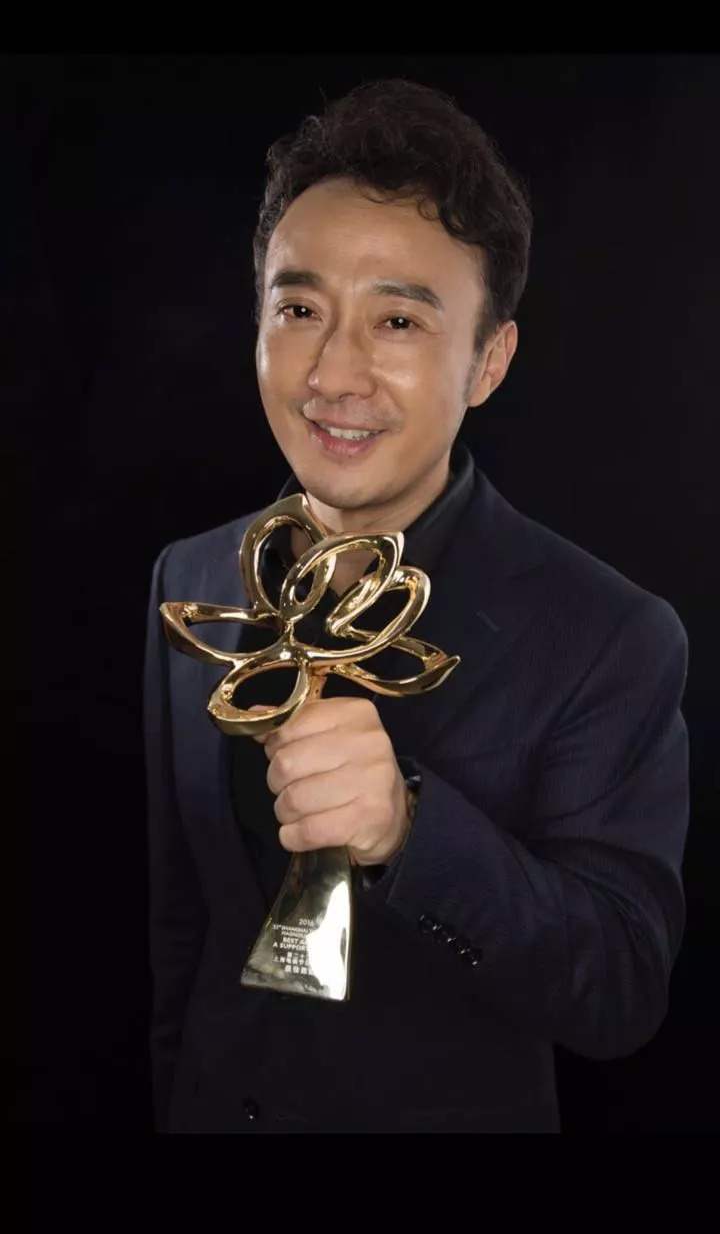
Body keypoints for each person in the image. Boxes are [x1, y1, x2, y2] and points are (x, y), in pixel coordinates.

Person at [143, 78, 690, 1133]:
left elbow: (621, 988)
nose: (333, 373)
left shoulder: (609, 634)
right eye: (299, 309)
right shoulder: (189, 577)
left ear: (489, 361)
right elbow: (185, 932)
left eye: (397, 319)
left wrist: (410, 828)